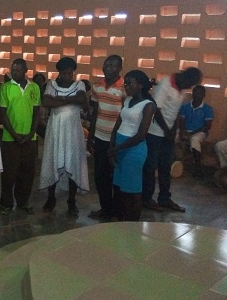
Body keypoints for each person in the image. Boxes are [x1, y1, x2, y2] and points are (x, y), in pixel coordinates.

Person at [143, 67, 202, 213]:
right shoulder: (166, 84)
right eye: (191, 83)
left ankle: (164, 198)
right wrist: (167, 130)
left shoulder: (181, 88)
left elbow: (175, 112)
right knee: (151, 166)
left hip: (168, 134)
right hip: (155, 132)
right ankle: (146, 199)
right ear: (186, 77)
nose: (190, 87)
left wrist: (173, 131)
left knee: (165, 166)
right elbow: (156, 109)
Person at [39, 57, 89, 216]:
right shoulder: (51, 84)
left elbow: (81, 99)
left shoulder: (79, 84)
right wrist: (70, 100)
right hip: (55, 130)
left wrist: (61, 98)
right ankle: (51, 197)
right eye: (64, 70)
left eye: (70, 70)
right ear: (59, 71)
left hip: (73, 132)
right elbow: (47, 101)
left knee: (72, 162)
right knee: (53, 160)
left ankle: (71, 200)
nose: (68, 73)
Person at [108, 70, 156, 221]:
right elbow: (117, 125)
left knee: (133, 190)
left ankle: (133, 224)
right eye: (125, 83)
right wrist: (112, 146)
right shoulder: (127, 101)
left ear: (140, 85)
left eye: (130, 83)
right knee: (121, 187)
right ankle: (122, 219)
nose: (126, 86)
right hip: (120, 147)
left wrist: (116, 149)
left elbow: (141, 135)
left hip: (134, 150)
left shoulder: (148, 105)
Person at [0, 58, 40, 215]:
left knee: (27, 173)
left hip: (30, 138)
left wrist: (31, 133)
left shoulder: (34, 87)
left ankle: (23, 201)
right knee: (9, 173)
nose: (13, 72)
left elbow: (36, 113)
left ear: (25, 71)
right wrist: (14, 134)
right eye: (12, 69)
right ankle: (6, 203)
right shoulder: (5, 88)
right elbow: (2, 113)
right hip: (10, 138)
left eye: (17, 70)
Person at [87, 55, 125, 220]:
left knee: (116, 176)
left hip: (117, 140)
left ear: (120, 68)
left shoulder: (125, 87)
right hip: (99, 137)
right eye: (106, 65)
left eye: (112, 65)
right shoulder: (97, 85)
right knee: (100, 176)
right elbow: (95, 112)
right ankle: (106, 209)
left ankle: (117, 211)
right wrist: (90, 137)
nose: (108, 68)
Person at [178, 85, 214, 178]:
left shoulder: (207, 109)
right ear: (192, 94)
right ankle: (171, 164)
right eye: (195, 93)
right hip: (185, 130)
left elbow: (207, 126)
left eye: (200, 93)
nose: (197, 95)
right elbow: (181, 121)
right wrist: (182, 132)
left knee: (195, 140)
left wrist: (191, 133)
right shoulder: (185, 106)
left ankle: (198, 168)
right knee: (172, 137)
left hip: (200, 132)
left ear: (204, 95)